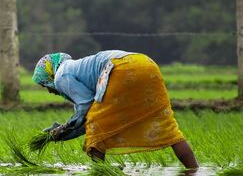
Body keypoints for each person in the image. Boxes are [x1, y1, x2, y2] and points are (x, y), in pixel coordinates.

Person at [32, 51, 199, 169]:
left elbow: (86, 109)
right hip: (146, 64)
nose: (49, 90)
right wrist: (59, 134)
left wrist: (61, 130)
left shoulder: (61, 76)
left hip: (120, 68)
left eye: (45, 85)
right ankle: (194, 171)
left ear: (49, 74)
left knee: (96, 130)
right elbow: (85, 118)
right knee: (166, 125)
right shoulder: (74, 69)